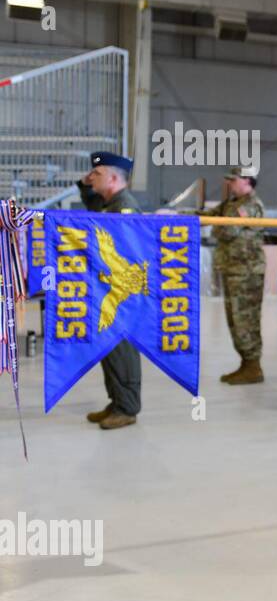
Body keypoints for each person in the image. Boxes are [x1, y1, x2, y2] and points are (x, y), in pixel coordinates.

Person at [80, 152, 143, 431]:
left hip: (124, 293)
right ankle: (117, 401)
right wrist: (86, 184)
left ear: (115, 178)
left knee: (122, 350)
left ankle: (127, 407)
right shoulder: (109, 203)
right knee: (109, 350)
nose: (92, 177)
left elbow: (129, 250)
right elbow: (93, 204)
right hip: (109, 288)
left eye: (98, 173)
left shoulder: (125, 207)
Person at [201, 167, 266, 385]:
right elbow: (209, 217)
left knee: (245, 320)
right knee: (234, 320)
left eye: (234, 179)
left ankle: (253, 366)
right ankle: (246, 364)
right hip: (232, 270)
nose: (229, 183)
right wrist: (177, 218)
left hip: (247, 272)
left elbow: (227, 231)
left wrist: (215, 227)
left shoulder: (251, 206)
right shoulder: (231, 204)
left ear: (247, 180)